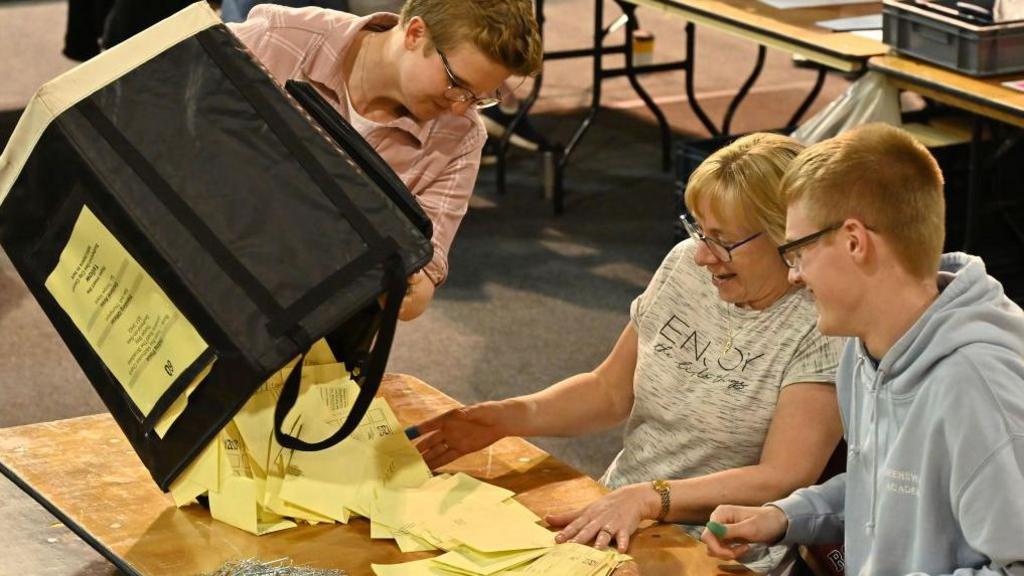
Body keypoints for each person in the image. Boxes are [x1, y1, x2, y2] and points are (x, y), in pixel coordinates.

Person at [410, 133, 844, 572]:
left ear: (785, 238)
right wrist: (506, 417)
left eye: (722, 240)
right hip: (618, 512)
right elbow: (609, 391)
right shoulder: (684, 267)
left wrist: (652, 498)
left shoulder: (820, 320)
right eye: (698, 230)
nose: (701, 257)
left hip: (718, 551)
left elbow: (785, 476)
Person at [700, 124, 1024, 575]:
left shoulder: (976, 384)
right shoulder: (864, 346)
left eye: (797, 251)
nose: (794, 275)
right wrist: (785, 516)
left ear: (855, 242)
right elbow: (886, 488)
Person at [227, 0, 543, 320]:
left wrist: (411, 284)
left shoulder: (461, 138)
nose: (461, 108)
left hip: (296, 318)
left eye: (480, 98)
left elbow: (424, 275)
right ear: (416, 33)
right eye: (457, 85)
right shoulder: (281, 39)